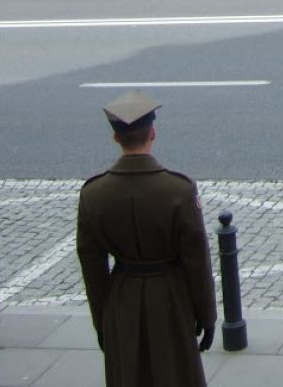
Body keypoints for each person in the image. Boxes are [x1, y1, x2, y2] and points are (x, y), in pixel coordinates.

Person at [76, 91, 216, 387]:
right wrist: (207, 314)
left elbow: (92, 264)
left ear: (115, 138)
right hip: (171, 296)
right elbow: (196, 259)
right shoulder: (178, 189)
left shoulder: (93, 193)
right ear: (153, 132)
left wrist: (102, 318)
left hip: (122, 296)